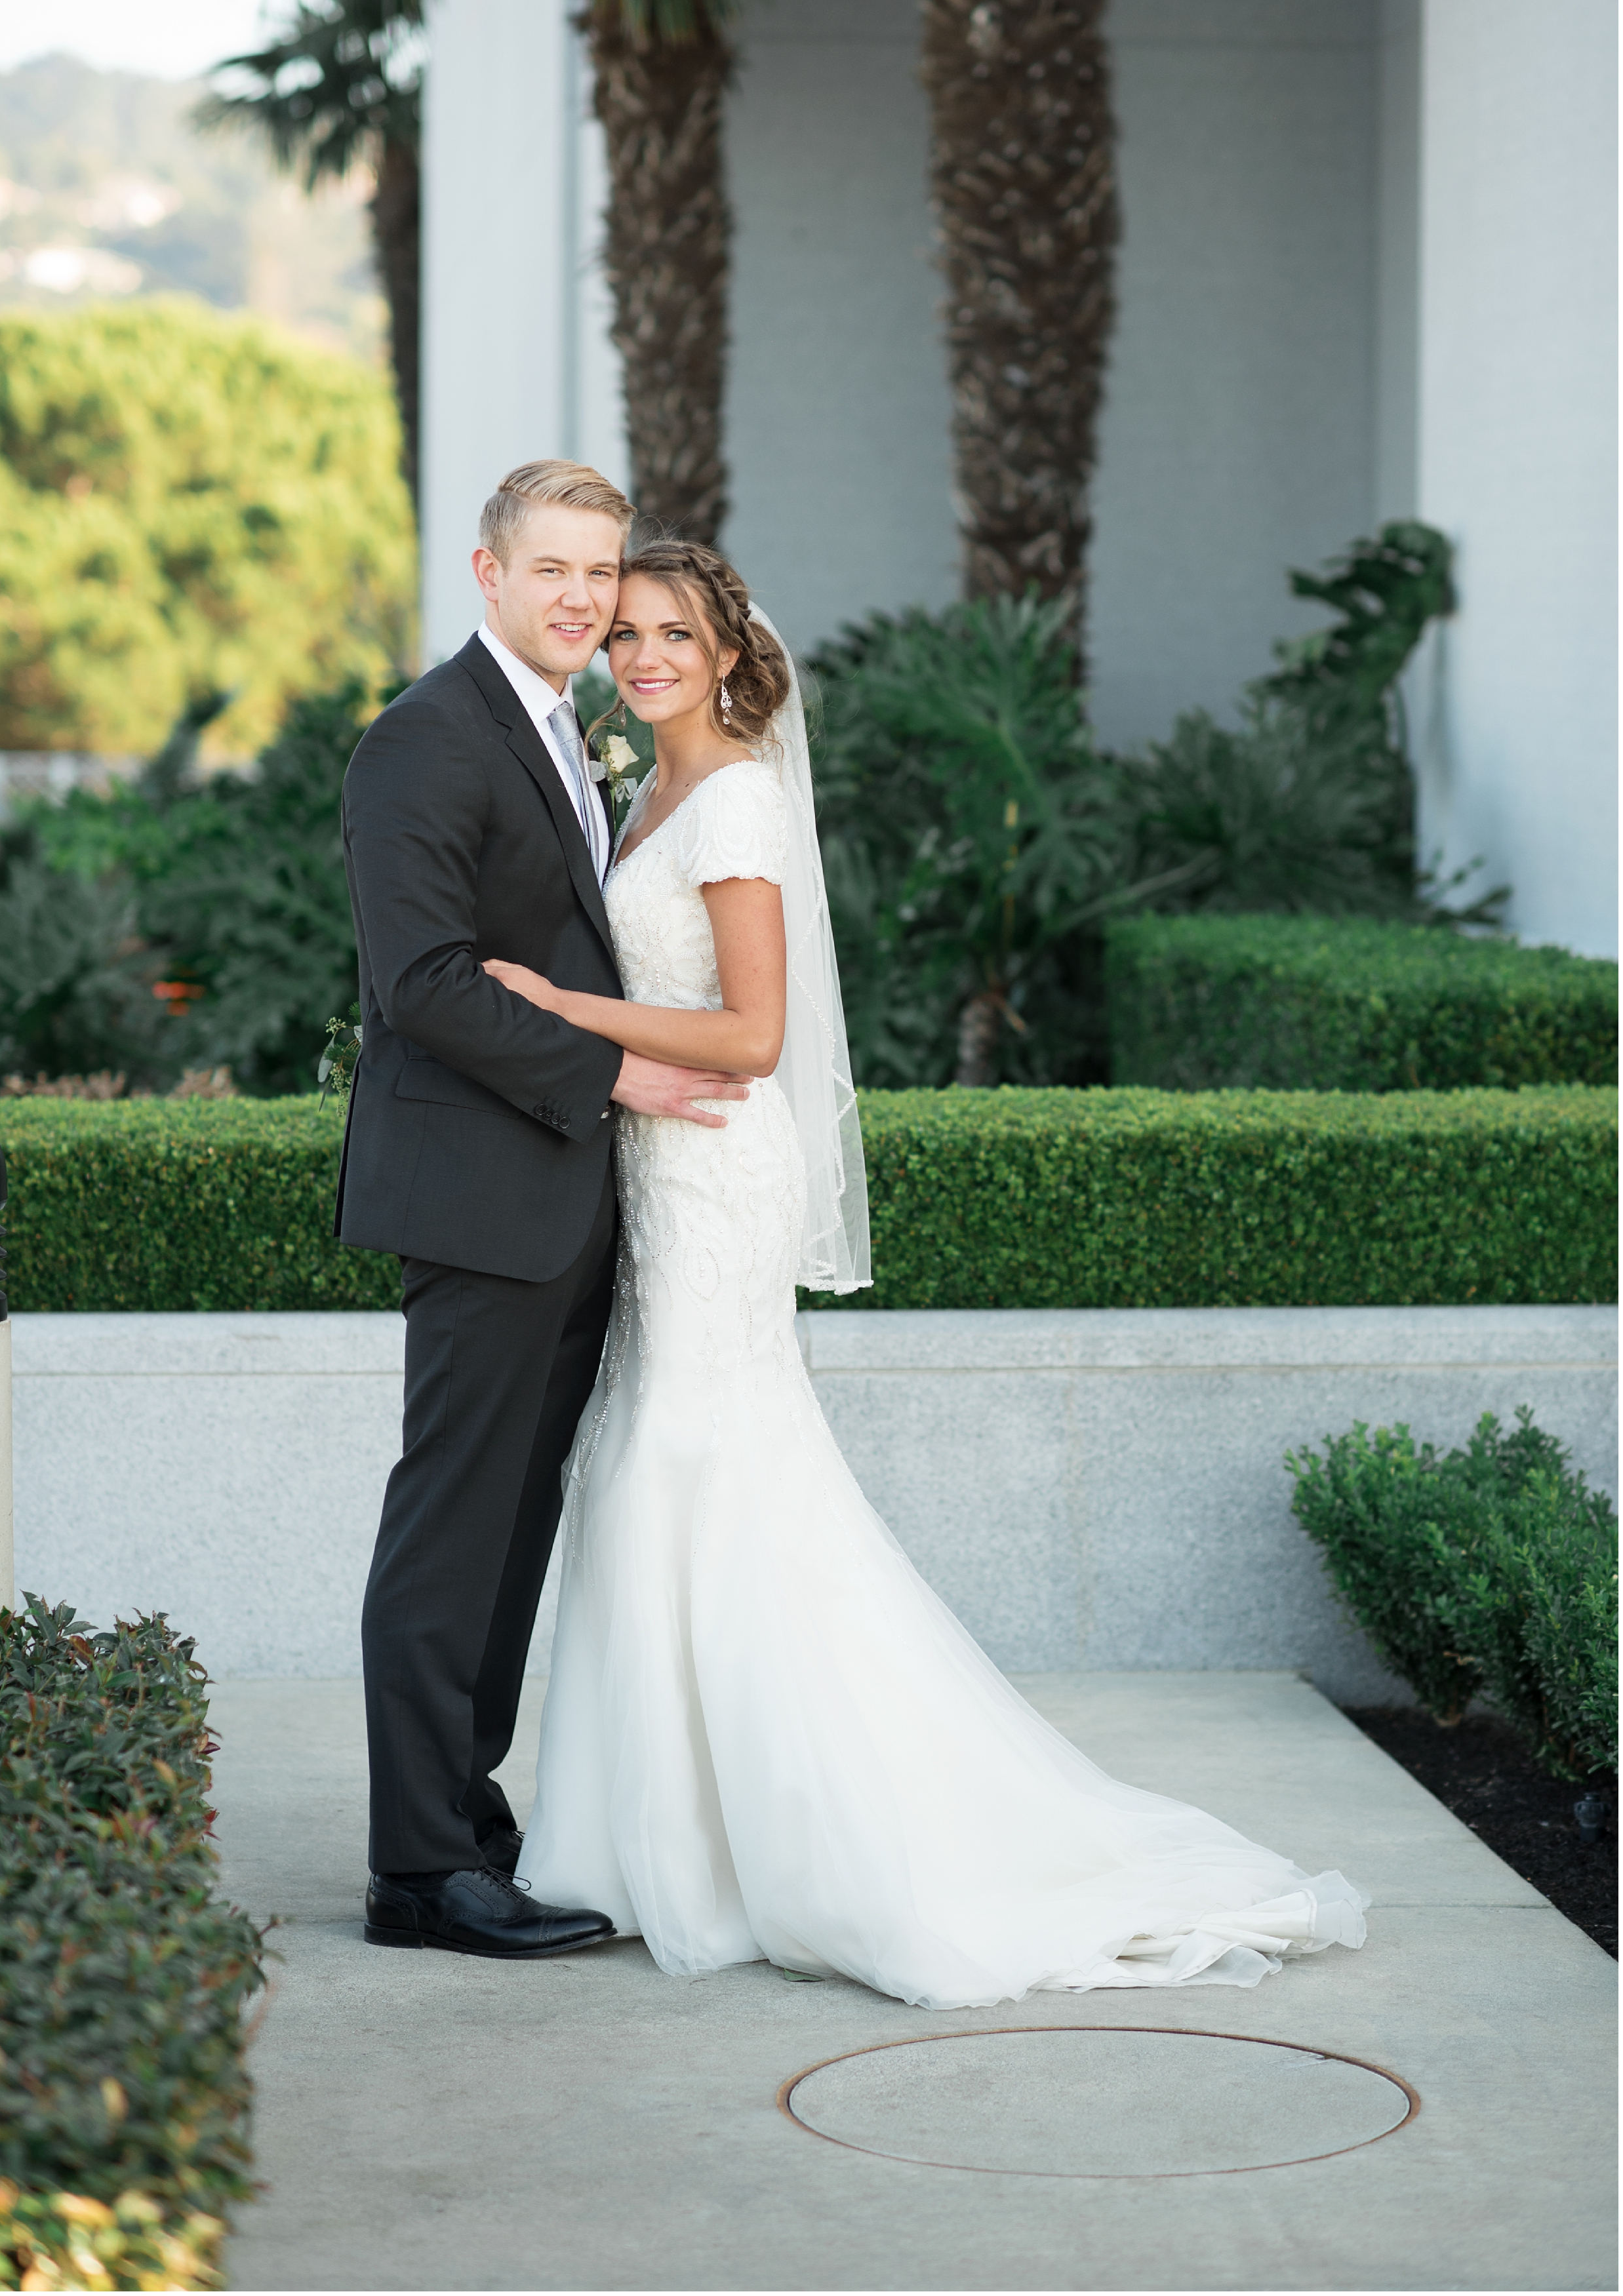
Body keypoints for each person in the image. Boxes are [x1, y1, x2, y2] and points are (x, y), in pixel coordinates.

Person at [483, 539, 1370, 2010]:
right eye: (625, 632)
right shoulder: (646, 787)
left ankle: (810, 1847)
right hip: (655, 1167)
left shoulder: (741, 798)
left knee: (697, 1467)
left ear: (727, 656)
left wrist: (557, 1004)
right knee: (653, 1469)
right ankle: (667, 1843)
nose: (639, 656)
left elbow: (755, 1035)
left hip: (713, 1174)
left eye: (670, 636)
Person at [338, 460, 748, 1961]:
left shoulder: (559, 731)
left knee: (514, 1528)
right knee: (453, 1530)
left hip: (561, 1199)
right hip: (480, 1195)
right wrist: (617, 1077)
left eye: (600, 571)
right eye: (554, 570)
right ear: (487, 572)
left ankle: (464, 1819)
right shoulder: (423, 741)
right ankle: (414, 1871)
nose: (584, 598)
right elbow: (423, 982)